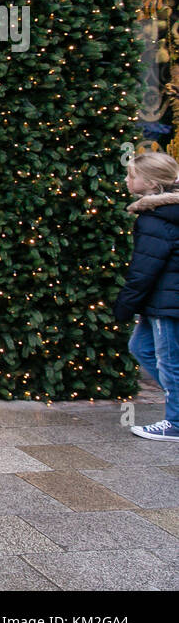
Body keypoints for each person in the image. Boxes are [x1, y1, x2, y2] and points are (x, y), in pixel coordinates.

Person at [113, 150, 179, 441]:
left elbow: (144, 269)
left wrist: (124, 305)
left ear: (152, 184)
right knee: (141, 348)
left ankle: (175, 423)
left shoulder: (156, 218)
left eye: (133, 175)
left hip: (167, 302)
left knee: (168, 361)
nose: (127, 180)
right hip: (162, 300)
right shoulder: (161, 213)